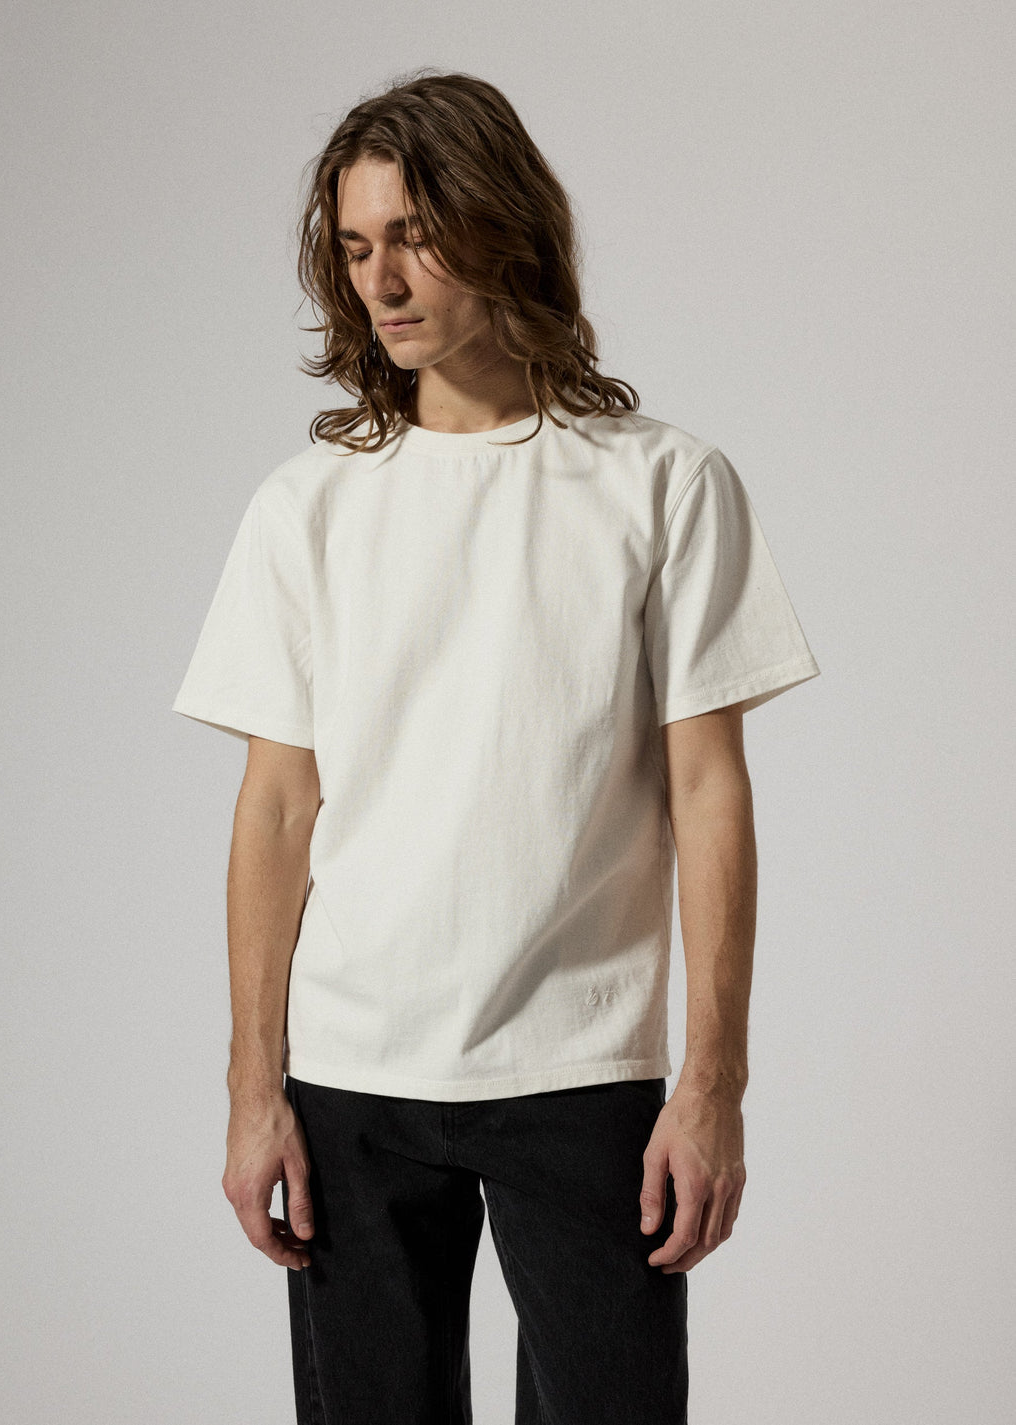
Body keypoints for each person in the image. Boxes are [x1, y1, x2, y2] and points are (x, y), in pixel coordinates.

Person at [172, 68, 820, 1425]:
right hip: (351, 1078)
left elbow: (710, 793)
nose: (381, 280)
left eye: (414, 235)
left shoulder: (662, 484)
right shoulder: (309, 507)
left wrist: (714, 1085)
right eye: (357, 246)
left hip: (583, 1071)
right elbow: (277, 807)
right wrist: (250, 1089)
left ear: (503, 226)